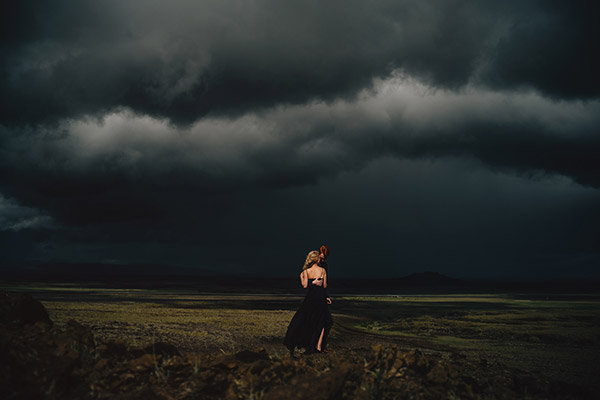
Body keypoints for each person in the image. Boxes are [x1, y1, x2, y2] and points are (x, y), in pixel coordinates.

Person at [283, 250, 333, 356]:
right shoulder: (323, 270)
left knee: (304, 320)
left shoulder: (306, 271)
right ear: (316, 259)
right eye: (319, 258)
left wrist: (311, 282)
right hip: (320, 299)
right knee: (319, 322)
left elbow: (305, 286)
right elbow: (324, 286)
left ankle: (303, 344)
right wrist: (325, 295)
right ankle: (315, 346)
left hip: (310, 299)